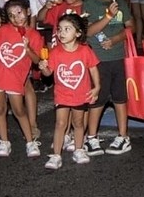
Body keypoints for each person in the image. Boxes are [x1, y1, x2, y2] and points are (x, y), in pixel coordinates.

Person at [37, 13, 100, 169]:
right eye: (59, 29)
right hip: (62, 95)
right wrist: (43, 68)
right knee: (60, 123)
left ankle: (79, 149)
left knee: (78, 123)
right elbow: (48, 73)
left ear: (78, 33)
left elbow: (93, 68)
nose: (62, 33)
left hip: (81, 94)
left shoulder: (85, 51)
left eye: (67, 29)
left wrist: (97, 87)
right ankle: (56, 155)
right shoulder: (56, 52)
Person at [83, 0, 134, 157]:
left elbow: (131, 26)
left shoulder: (120, 1)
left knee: (120, 97)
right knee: (97, 98)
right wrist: (108, 17)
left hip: (118, 57)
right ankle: (92, 137)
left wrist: (116, 39)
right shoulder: (90, 3)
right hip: (98, 60)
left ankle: (123, 136)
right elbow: (87, 31)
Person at [0, 0, 43, 159]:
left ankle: (30, 141)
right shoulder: (3, 30)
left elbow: (37, 60)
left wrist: (27, 48)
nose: (16, 18)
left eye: (19, 13)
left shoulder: (34, 35)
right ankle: (4, 141)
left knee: (19, 110)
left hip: (15, 78)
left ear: (28, 12)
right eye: (11, 15)